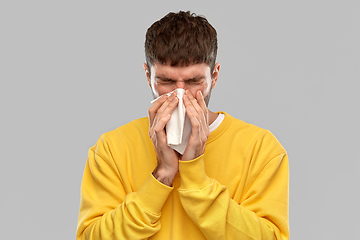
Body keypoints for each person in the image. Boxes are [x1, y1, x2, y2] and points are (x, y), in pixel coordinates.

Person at [76, 11, 289, 240]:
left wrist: (195, 175)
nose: (180, 94)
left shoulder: (262, 150)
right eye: (166, 81)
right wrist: (162, 175)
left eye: (194, 81)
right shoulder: (111, 149)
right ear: (148, 76)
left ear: (214, 77)